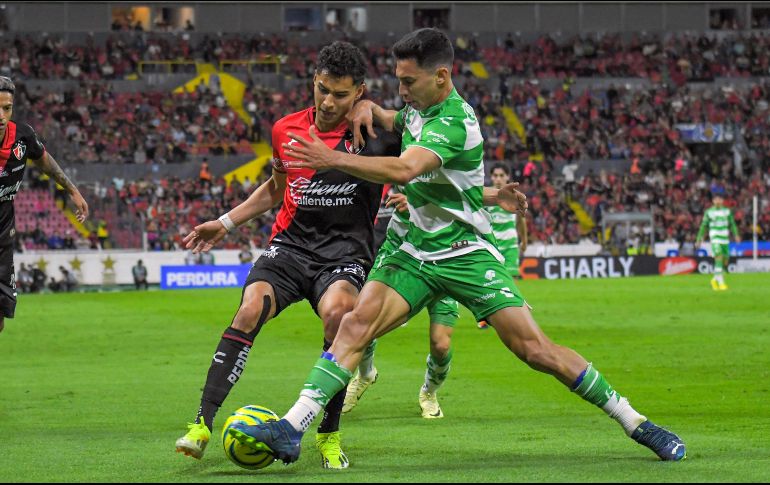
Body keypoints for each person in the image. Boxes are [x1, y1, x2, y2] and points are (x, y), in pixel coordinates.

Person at [227, 28, 686, 465]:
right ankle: (292, 427)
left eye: (409, 81)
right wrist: (370, 107)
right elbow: (399, 122)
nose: (402, 89)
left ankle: (635, 422)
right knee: (353, 327)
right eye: (398, 81)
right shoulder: (418, 110)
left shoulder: (454, 122)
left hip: (463, 252)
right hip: (411, 251)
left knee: (535, 350)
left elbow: (407, 169)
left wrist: (331, 157)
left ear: (441, 76)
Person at [174, 41, 402, 470]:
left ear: (360, 92)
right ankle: (201, 424)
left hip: (345, 253)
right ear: (313, 82)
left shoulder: (380, 136)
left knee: (340, 317)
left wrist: (379, 111)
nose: (328, 101)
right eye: (322, 90)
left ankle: (328, 434)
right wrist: (224, 223)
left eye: (340, 94)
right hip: (291, 248)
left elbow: (426, 154)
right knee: (248, 310)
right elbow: (277, 187)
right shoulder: (286, 128)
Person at [0, 76, 88, 333]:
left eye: (7, 108)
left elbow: (46, 162)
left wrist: (72, 189)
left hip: (4, 225)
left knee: (1, 312)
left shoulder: (22, 136)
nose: (2, 115)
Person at [478, 163, 528, 329]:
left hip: (511, 246)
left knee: (512, 282)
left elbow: (521, 220)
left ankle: (513, 317)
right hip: (492, 246)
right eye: (495, 175)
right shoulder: (486, 197)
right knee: (489, 282)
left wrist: (525, 240)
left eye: (501, 175)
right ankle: (486, 316)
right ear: (491, 177)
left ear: (507, 177)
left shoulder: (513, 197)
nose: (498, 179)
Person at [695, 192, 740, 291]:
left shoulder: (727, 211)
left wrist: (736, 234)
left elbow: (732, 224)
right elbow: (703, 226)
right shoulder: (709, 212)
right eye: (716, 199)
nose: (718, 201)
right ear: (713, 201)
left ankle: (714, 280)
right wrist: (699, 239)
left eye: (720, 199)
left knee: (725, 261)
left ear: (723, 201)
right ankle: (721, 283)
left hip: (725, 239)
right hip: (715, 238)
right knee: (718, 256)